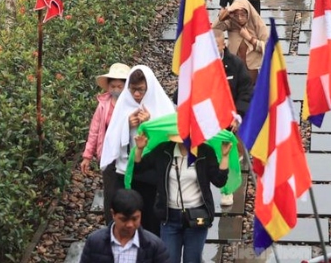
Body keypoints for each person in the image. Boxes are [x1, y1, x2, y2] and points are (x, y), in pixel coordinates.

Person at [133, 130, 230, 263]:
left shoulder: (205, 152)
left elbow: (219, 181)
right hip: (169, 217)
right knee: (169, 259)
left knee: (192, 260)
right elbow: (138, 168)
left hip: (197, 216)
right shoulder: (163, 151)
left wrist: (225, 157)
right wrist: (139, 149)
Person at [100, 65, 175, 233]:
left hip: (151, 174)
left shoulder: (161, 106)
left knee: (150, 220)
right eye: (133, 90)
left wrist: (150, 124)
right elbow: (111, 139)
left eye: (141, 90)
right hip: (125, 171)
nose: (136, 95)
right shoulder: (123, 106)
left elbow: (170, 139)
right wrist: (126, 125)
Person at [80, 64, 131, 217]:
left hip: (130, 154)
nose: (116, 89)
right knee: (110, 192)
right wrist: (87, 156)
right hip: (109, 154)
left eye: (120, 86)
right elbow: (95, 131)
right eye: (113, 86)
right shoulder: (103, 105)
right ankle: (111, 225)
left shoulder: (134, 104)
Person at [212, 28, 254, 207]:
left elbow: (245, 91)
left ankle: (228, 190)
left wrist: (238, 115)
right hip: (208, 120)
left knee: (229, 155)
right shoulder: (198, 65)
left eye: (217, 46)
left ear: (224, 44)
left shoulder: (236, 64)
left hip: (229, 121)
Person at [79, 188, 170, 263]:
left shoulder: (154, 246)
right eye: (124, 219)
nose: (130, 225)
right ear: (113, 214)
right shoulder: (95, 242)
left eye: (135, 219)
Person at [213, 0, 270, 84]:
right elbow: (214, 30)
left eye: (243, 15)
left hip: (252, 69)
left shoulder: (257, 24)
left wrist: (250, 39)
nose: (239, 18)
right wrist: (223, 16)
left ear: (248, 13)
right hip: (234, 67)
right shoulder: (231, 22)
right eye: (236, 15)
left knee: (251, 91)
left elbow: (268, 47)